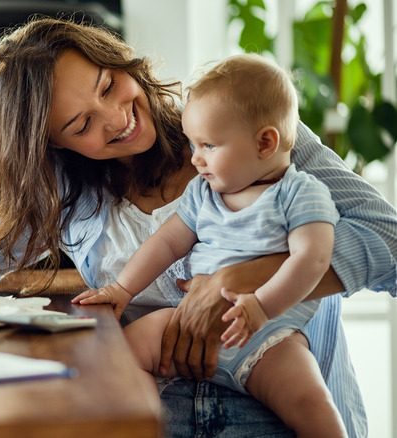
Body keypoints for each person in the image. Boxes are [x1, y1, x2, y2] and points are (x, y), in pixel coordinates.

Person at [0, 17, 397, 437]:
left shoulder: (244, 124)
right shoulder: (72, 190)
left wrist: (243, 280)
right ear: (53, 145)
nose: (117, 117)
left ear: (119, 61)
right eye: (81, 123)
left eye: (109, 85)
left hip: (282, 409)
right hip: (155, 414)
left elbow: (389, 243)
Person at [72, 53, 346, 437]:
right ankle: (146, 422)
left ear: (265, 143)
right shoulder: (203, 192)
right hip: (187, 325)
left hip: (269, 337)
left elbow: (314, 259)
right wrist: (121, 289)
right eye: (192, 144)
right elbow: (166, 242)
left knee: (312, 405)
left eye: (208, 146)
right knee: (118, 355)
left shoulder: (300, 194)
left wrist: (261, 306)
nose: (196, 159)